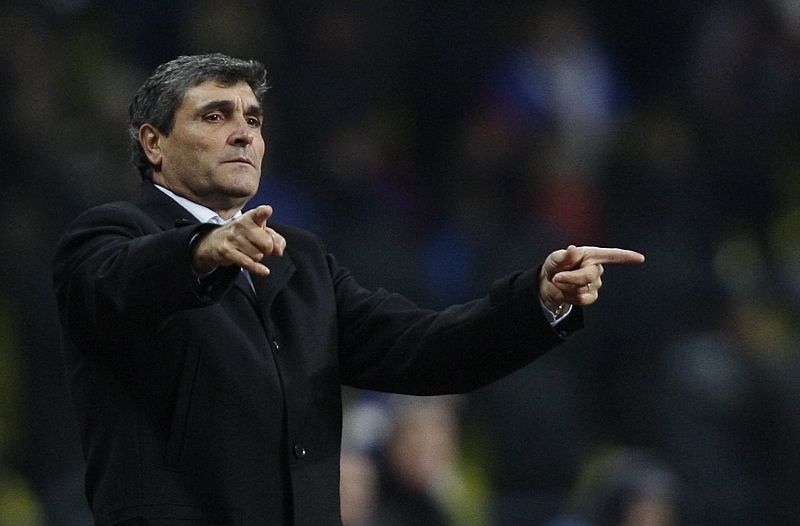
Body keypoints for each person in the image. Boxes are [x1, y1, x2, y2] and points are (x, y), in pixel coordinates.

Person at [52, 53, 644, 526]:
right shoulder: (110, 235)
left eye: (252, 119)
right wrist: (197, 252)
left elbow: (424, 348)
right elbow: (114, 283)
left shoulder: (301, 260)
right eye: (215, 116)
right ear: (154, 144)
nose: (243, 134)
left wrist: (538, 300)